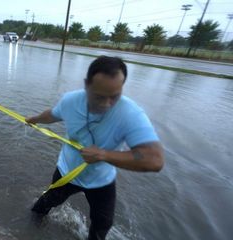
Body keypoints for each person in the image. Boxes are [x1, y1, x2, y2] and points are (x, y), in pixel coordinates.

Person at [26, 56, 164, 240]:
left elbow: (154, 159)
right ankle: (29, 231)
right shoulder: (71, 101)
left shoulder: (130, 113)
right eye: (99, 97)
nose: (106, 104)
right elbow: (52, 115)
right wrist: (34, 120)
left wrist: (104, 155)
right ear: (86, 85)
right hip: (68, 172)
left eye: (114, 96)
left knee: (102, 224)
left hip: (102, 180)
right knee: (44, 205)